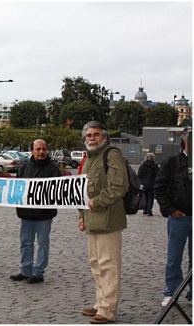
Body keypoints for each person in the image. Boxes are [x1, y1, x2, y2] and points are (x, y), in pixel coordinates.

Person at [78, 121, 129, 324]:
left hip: (108, 219)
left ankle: (108, 309)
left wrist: (97, 202)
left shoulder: (111, 154)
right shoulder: (89, 159)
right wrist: (81, 216)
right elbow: (81, 191)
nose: (92, 138)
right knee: (96, 265)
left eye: (96, 134)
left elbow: (119, 186)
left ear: (104, 137)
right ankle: (100, 302)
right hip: (92, 220)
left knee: (109, 265)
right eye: (89, 135)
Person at [10, 139, 62, 284]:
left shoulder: (53, 169)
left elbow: (58, 190)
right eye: (38, 149)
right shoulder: (24, 168)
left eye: (44, 149)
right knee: (25, 243)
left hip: (44, 215)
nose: (41, 152)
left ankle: (38, 272)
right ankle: (25, 270)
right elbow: (16, 189)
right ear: (32, 151)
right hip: (26, 214)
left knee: (42, 243)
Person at [154, 129, 192, 307]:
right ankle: (172, 292)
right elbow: (159, 188)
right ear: (184, 143)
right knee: (174, 258)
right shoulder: (171, 163)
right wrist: (171, 210)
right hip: (180, 217)